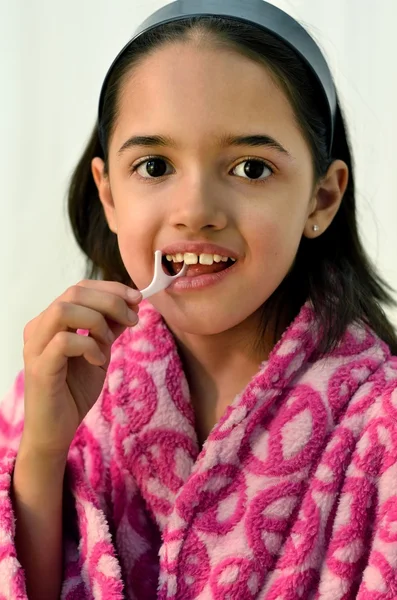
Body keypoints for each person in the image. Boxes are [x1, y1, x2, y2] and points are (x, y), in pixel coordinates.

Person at [1, 0, 397, 598]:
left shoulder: (382, 427)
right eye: (155, 165)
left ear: (321, 198)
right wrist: (43, 452)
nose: (196, 211)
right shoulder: (59, 382)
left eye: (251, 168)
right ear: (109, 195)